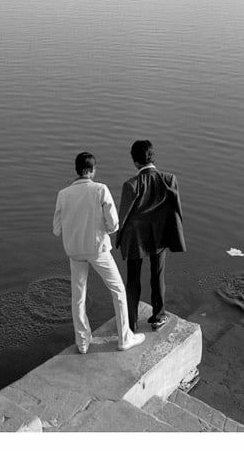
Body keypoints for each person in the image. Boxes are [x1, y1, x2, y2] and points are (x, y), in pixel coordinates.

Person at [53, 152, 145, 354]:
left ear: (77, 170)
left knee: (78, 296)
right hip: (97, 250)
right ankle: (125, 338)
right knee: (118, 291)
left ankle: (83, 343)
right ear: (92, 170)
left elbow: (56, 228)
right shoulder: (100, 190)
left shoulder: (63, 194)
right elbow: (113, 225)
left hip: (75, 251)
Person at [116, 140, 186, 332]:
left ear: (135, 162)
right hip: (160, 235)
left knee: (132, 280)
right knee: (158, 275)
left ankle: (131, 323)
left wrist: (119, 240)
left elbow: (123, 217)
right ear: (152, 157)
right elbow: (176, 210)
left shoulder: (131, 185)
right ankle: (158, 316)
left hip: (135, 238)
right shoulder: (169, 179)